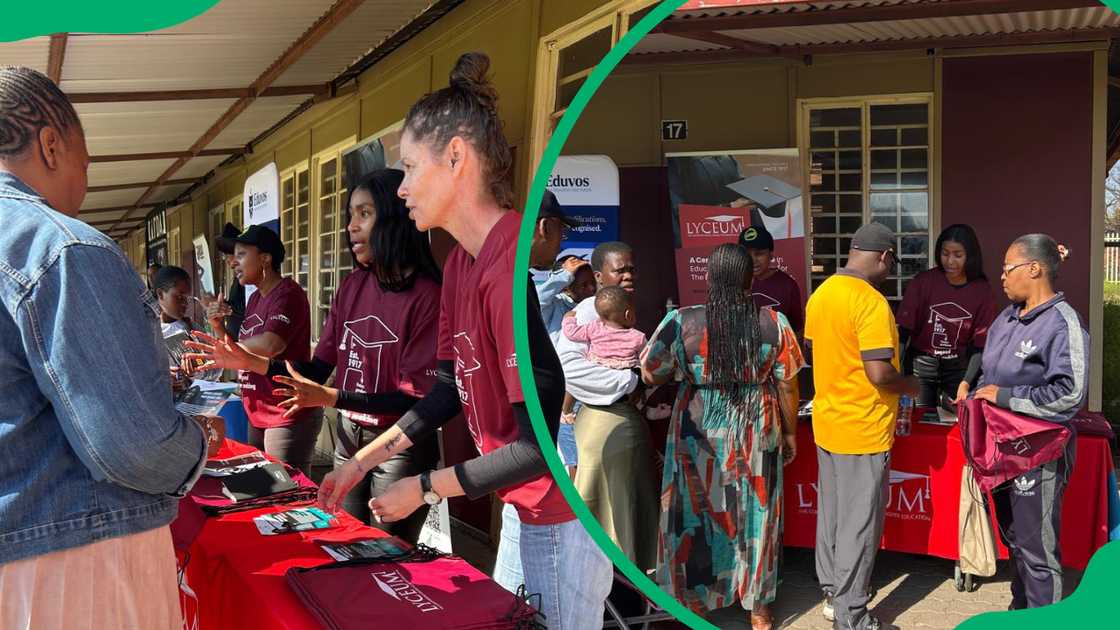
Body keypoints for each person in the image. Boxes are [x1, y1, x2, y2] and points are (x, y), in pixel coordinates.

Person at [317, 52, 611, 628]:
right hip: (519, 511)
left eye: (408, 167)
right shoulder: (458, 266)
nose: (400, 190)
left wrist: (425, 489)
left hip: (557, 519)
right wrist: (363, 462)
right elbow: (448, 390)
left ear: (455, 156)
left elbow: (535, 449)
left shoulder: (506, 270)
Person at [0, 65, 220, 629]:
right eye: (84, 160)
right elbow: (131, 445)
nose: (85, 180)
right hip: (76, 562)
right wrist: (196, 443)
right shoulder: (63, 248)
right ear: (51, 145)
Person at [188, 169, 442, 544]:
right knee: (346, 542)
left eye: (365, 214)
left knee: (388, 554)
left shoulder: (427, 295)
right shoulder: (352, 286)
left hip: (397, 447)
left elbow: (416, 400)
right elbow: (315, 370)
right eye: (350, 215)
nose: (352, 227)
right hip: (348, 439)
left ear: (394, 217)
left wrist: (333, 397)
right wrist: (250, 363)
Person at [640, 243, 803, 629]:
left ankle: (696, 602)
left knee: (697, 511)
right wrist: (791, 432)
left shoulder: (682, 322)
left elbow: (650, 372)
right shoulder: (773, 322)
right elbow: (789, 386)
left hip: (697, 426)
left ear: (710, 277)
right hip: (756, 424)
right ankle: (759, 609)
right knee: (757, 512)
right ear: (749, 279)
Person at [960, 234, 1087, 610]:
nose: (1002, 277)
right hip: (1002, 453)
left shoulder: (1063, 323)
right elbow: (989, 366)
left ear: (1034, 269)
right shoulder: (1007, 316)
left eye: (1007, 268)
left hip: (1040, 456)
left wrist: (1003, 397)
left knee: (1037, 550)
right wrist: (974, 388)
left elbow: (1071, 394)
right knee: (1015, 540)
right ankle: (1021, 610)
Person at [804, 223, 919, 630]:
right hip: (863, 428)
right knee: (859, 524)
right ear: (884, 257)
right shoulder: (870, 302)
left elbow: (818, 354)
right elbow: (879, 373)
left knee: (833, 516)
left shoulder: (821, 295)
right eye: (891, 263)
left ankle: (834, 594)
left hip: (828, 423)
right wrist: (913, 384)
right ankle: (853, 614)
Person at [556, 239, 658, 571]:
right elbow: (570, 369)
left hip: (620, 424)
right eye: (620, 269)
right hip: (605, 422)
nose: (628, 274)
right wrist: (629, 381)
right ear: (599, 276)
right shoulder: (588, 314)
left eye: (632, 268)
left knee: (624, 509)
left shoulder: (622, 311)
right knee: (611, 515)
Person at [208, 224, 322, 476]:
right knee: (263, 490)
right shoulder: (255, 299)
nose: (232, 263)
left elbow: (271, 345)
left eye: (240, 255)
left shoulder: (287, 294)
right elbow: (242, 352)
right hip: (258, 411)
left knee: (288, 495)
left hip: (286, 413)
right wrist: (218, 328)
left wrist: (220, 351)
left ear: (265, 259)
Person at [897, 224, 996, 407]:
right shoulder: (923, 282)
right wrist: (898, 372)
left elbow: (980, 344)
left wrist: (966, 382)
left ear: (970, 256)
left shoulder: (982, 291)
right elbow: (904, 332)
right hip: (921, 365)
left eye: (958, 255)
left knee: (956, 423)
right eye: (945, 253)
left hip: (959, 368)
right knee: (920, 421)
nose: (950, 261)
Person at [739, 224, 804, 335]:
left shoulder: (787, 285)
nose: (753, 260)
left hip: (777, 350)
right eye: (747, 254)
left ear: (771, 254)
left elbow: (796, 330)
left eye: (759, 254)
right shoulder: (733, 283)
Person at [562, 286, 646, 369]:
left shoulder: (594, 328)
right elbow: (647, 359)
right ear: (629, 315)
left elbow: (572, 333)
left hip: (598, 366)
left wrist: (568, 318)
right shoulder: (638, 337)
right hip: (626, 368)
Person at [539, 254, 596, 343]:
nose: (592, 288)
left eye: (593, 282)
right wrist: (564, 275)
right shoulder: (553, 305)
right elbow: (537, 300)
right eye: (584, 285)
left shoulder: (598, 306)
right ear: (565, 286)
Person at [212, 222, 246, 340]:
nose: (227, 261)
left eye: (227, 255)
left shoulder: (248, 281)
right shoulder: (239, 278)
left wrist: (225, 307)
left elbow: (245, 308)